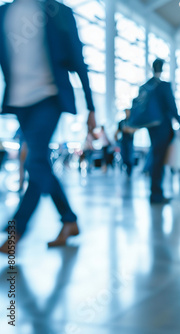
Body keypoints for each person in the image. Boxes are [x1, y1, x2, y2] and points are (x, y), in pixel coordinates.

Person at [0, 0, 96, 253]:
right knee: (39, 164)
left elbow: (78, 60)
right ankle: (69, 220)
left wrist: (91, 107)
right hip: (19, 101)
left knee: (34, 161)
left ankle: (16, 231)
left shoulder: (57, 11)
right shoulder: (4, 12)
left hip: (49, 96)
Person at [145, 58, 180, 204]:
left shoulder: (147, 86)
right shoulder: (164, 86)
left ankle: (155, 191)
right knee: (159, 159)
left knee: (155, 156)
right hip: (162, 126)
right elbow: (172, 106)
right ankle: (156, 193)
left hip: (151, 127)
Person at [115, 109, 135, 177]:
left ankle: (129, 172)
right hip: (123, 142)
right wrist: (117, 140)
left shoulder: (132, 121)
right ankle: (126, 170)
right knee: (124, 156)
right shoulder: (122, 122)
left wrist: (128, 130)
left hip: (130, 142)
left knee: (130, 157)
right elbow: (117, 132)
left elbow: (134, 129)